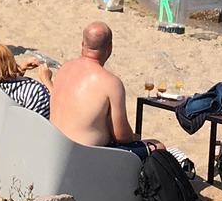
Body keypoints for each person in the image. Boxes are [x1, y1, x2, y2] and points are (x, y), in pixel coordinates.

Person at [49, 22, 155, 157]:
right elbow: (121, 136)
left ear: (82, 44)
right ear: (110, 48)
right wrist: (134, 137)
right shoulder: (111, 83)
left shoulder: (64, 68)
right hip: (85, 156)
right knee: (156, 146)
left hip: (54, 148)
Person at [0, 44, 51, 118]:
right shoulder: (35, 91)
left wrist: (20, 69)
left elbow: (8, 82)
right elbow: (57, 107)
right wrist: (47, 80)